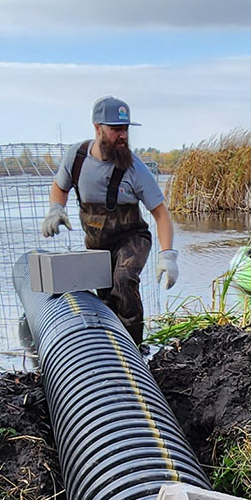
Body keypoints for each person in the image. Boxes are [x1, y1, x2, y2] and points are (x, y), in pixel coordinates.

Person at [42, 96, 176, 344]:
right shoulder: (77, 157)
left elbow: (161, 214)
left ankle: (134, 348)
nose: (122, 135)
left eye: (125, 129)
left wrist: (167, 255)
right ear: (97, 128)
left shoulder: (134, 168)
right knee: (105, 298)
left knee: (124, 281)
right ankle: (110, 349)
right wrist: (56, 209)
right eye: (115, 129)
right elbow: (59, 186)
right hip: (97, 242)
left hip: (131, 238)